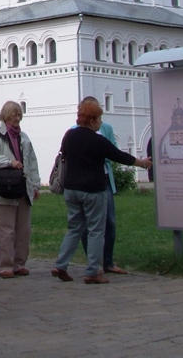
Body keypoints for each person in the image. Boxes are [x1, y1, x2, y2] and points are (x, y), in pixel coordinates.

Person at [51, 98, 151, 284]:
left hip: (71, 189)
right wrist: (142, 163)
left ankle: (60, 264)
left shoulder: (69, 136)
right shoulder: (97, 140)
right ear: (91, 121)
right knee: (96, 230)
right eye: (98, 119)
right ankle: (93, 271)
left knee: (75, 228)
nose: (100, 123)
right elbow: (119, 156)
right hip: (93, 189)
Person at [0, 100, 40, 279]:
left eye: (19, 115)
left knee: (23, 229)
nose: (17, 118)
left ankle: (19, 263)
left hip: (22, 188)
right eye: (14, 115)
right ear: (6, 116)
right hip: (4, 189)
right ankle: (4, 265)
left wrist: (35, 184)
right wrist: (7, 162)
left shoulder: (24, 138)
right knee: (6, 229)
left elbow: (32, 162)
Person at [79, 111, 128, 275]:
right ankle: (93, 262)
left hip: (104, 179)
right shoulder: (75, 131)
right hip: (86, 183)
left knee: (109, 221)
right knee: (86, 224)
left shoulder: (106, 128)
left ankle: (108, 261)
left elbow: (112, 150)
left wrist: (100, 153)